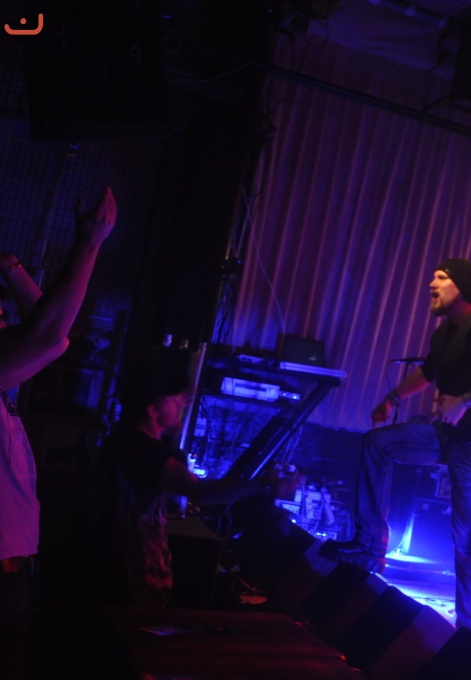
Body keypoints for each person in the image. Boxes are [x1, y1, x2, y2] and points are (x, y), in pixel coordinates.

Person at [330, 258, 471, 637]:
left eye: (441, 278)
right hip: (447, 436)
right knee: (378, 443)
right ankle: (370, 544)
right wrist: (392, 398)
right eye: (432, 277)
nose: (431, 284)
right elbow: (429, 372)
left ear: (461, 287)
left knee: (467, 540)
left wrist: (465, 400)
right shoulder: (445, 333)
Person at [0, 187, 116, 680]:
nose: (4, 321)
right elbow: (47, 335)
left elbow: (52, 337)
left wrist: (10, 267)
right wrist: (89, 242)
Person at [97, 368, 281, 607]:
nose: (182, 405)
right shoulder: (145, 452)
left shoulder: (125, 442)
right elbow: (201, 492)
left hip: (119, 568)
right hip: (131, 576)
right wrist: (264, 484)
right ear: (153, 411)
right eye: (174, 400)